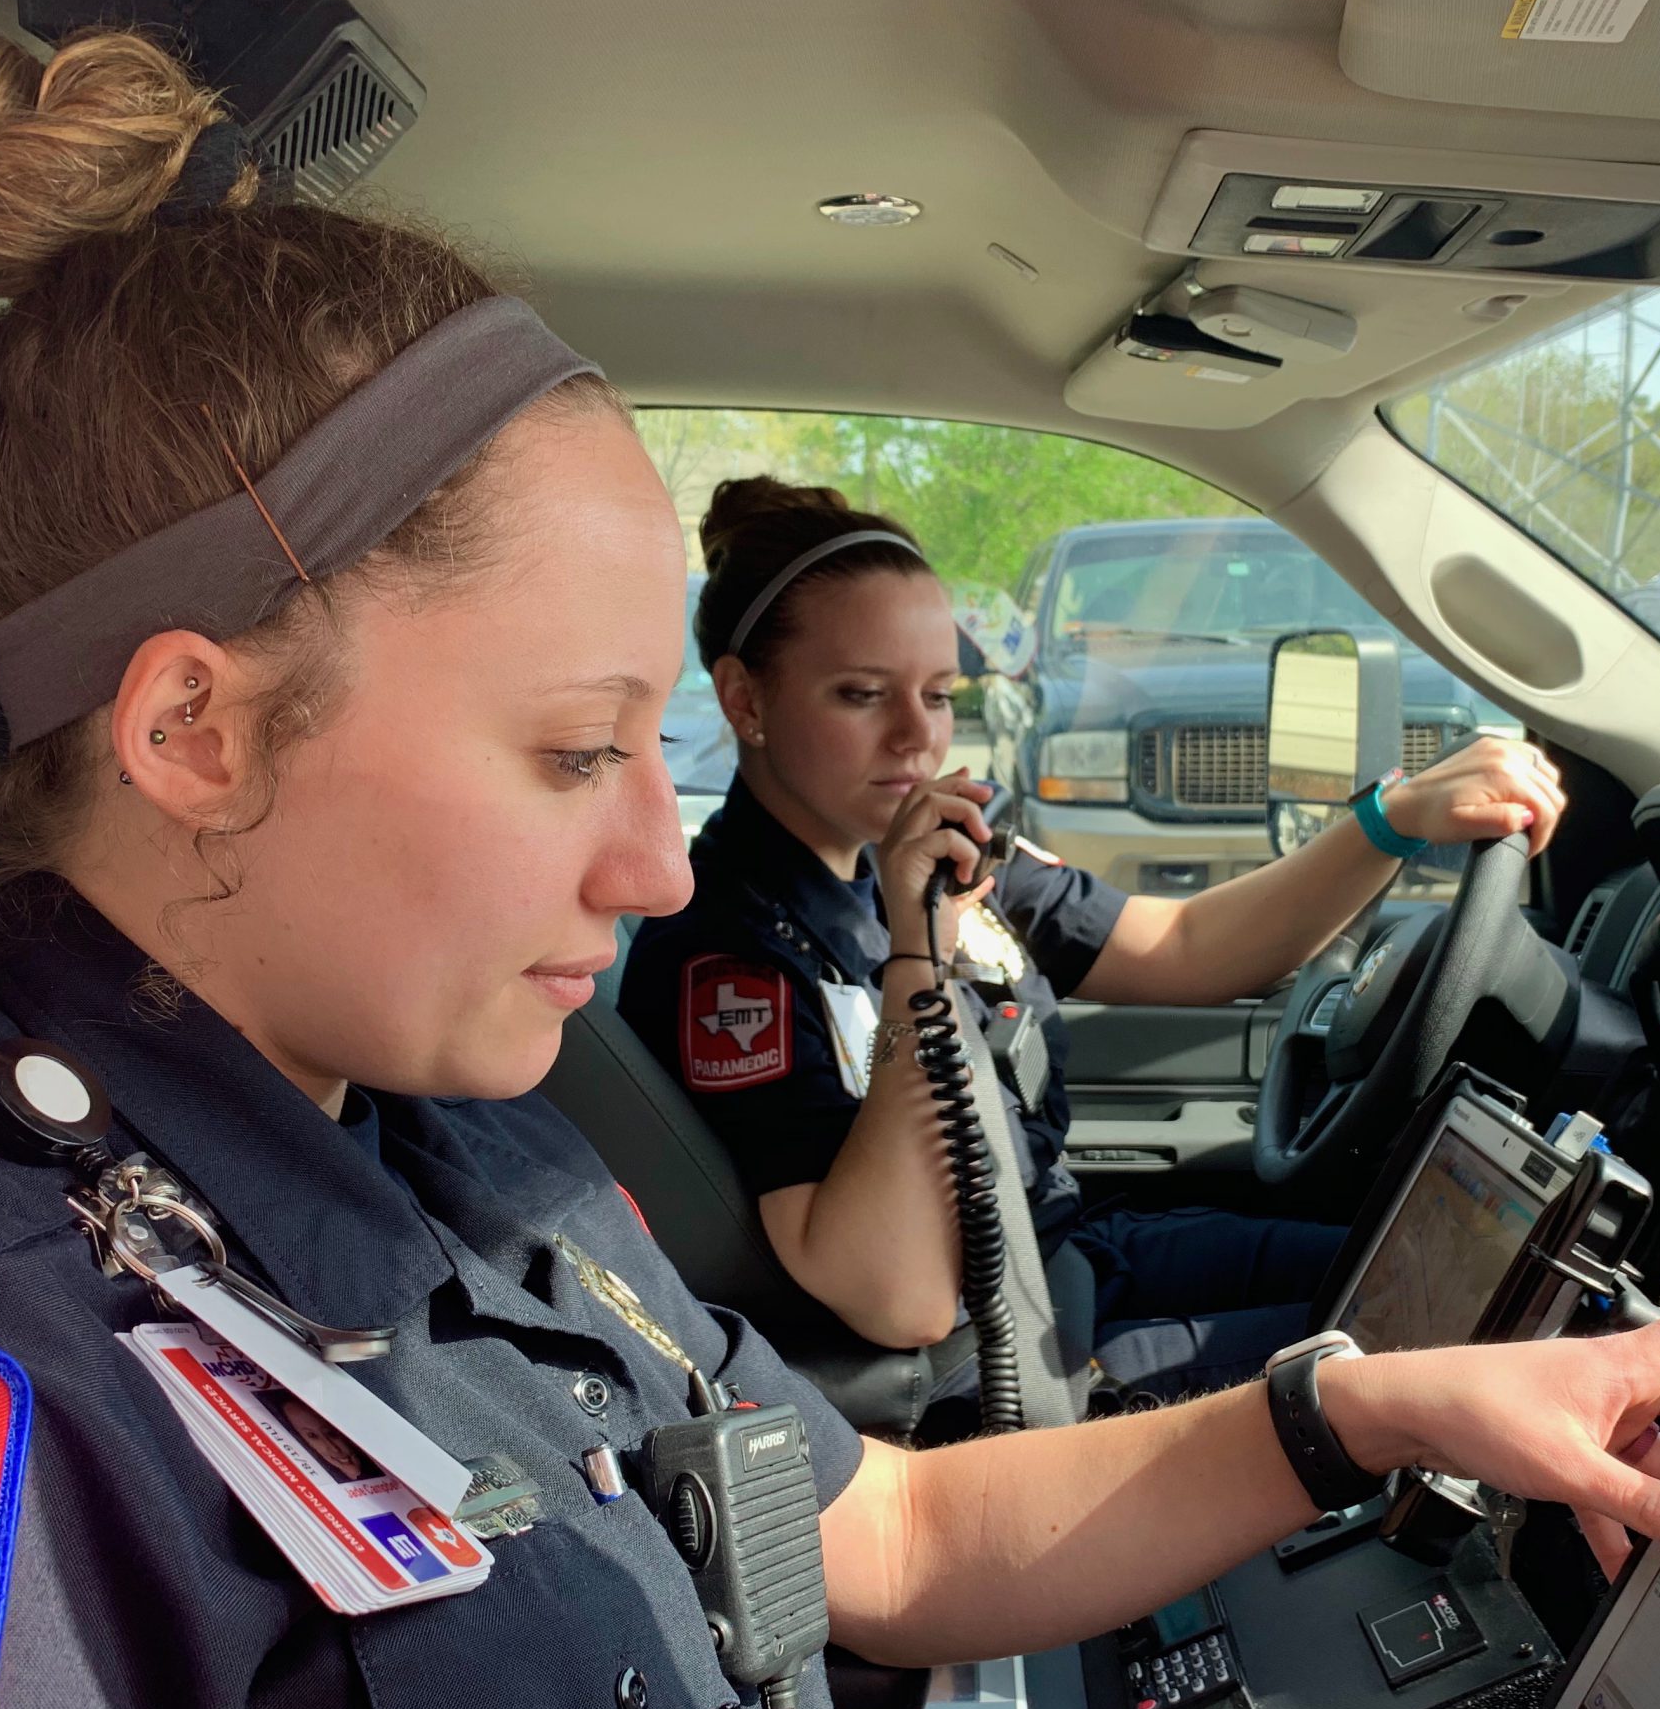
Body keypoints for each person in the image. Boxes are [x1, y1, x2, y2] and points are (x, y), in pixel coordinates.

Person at [0, 12, 1652, 1709]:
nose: (661, 865)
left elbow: (884, 1536)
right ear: (197, 736)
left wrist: (1369, 1411)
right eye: (579, 752)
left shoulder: (458, 1147)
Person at [620, 479, 1569, 1405]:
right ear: (745, 700)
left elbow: (1187, 943)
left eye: (941, 693)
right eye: (863, 695)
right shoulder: (726, 959)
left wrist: (1392, 819)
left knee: (1472, 1284)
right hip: (1006, 1362)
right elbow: (900, 1299)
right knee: (1444, 1345)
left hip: (1075, 1257)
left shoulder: (931, 850)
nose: (917, 737)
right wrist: (917, 957)